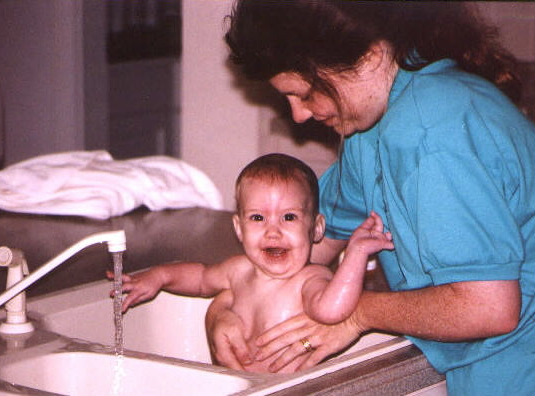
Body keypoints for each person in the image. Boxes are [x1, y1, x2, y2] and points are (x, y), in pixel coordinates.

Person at [206, 1, 535, 394]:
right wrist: (227, 310)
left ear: (370, 54)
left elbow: (487, 308)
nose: (298, 115)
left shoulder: (432, 132)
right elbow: (307, 242)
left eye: (306, 93)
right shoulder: (372, 125)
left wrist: (356, 314)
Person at [110, 153, 393, 373]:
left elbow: (332, 310)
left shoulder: (310, 279)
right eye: (258, 218)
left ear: (317, 228)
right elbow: (200, 278)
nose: (273, 230)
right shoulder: (238, 270)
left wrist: (356, 254)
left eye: (289, 217)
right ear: (239, 228)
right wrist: (159, 276)